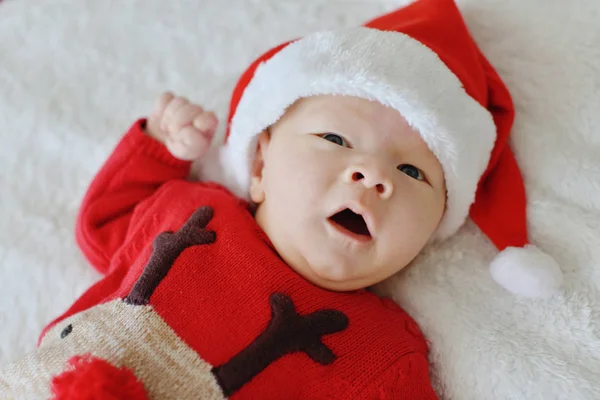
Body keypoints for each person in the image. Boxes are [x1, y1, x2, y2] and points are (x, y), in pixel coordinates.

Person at [35, 0, 563, 398]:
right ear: (261, 165)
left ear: (433, 229)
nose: (373, 175)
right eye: (336, 140)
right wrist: (158, 145)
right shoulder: (189, 208)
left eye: (412, 172)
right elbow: (105, 223)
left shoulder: (383, 355)